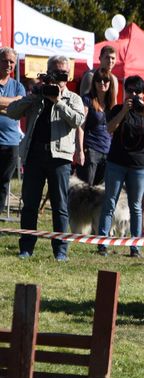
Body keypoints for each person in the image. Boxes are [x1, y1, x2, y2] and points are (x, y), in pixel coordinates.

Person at [7, 55, 85, 260]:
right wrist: (35, 95)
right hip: (35, 155)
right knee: (30, 204)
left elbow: (78, 120)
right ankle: (26, 248)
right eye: (57, 73)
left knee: (60, 206)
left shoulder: (73, 98)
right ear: (49, 73)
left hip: (60, 157)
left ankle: (61, 251)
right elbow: (12, 111)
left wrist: (58, 101)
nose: (61, 78)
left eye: (64, 74)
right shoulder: (38, 95)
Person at [97, 75, 144, 258]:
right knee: (110, 201)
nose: (133, 95)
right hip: (116, 162)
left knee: (136, 206)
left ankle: (135, 247)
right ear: (124, 92)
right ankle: (102, 243)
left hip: (139, 166)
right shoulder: (118, 109)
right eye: (130, 91)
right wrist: (124, 111)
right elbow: (109, 129)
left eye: (137, 92)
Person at [75, 68, 116, 185]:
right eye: (98, 80)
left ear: (110, 83)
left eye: (105, 80)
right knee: (85, 190)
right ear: (94, 82)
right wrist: (80, 151)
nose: (102, 83)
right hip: (91, 149)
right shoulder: (87, 100)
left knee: (99, 193)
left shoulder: (111, 103)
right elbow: (80, 126)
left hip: (107, 151)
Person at [0, 47, 25, 214]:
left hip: (11, 143)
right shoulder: (15, 91)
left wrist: (6, 104)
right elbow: (15, 106)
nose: (8, 64)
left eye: (11, 62)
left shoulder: (18, 86)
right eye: (5, 60)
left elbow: (21, 108)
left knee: (3, 183)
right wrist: (12, 104)